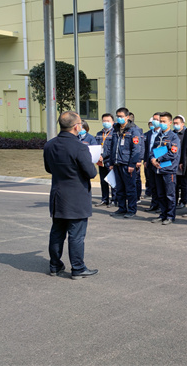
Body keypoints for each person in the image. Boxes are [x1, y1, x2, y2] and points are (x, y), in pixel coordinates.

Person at [44, 111, 98, 279]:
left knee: (57, 232)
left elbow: (48, 168)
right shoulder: (80, 147)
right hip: (76, 197)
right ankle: (78, 268)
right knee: (76, 235)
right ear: (76, 126)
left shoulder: (49, 145)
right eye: (80, 123)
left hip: (58, 195)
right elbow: (91, 173)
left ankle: (55, 265)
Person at [109, 107, 143, 219]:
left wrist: (132, 164)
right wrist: (111, 162)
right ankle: (122, 208)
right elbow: (113, 147)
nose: (119, 118)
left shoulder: (133, 130)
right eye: (118, 116)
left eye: (121, 116)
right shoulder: (115, 129)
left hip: (127, 164)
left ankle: (132, 210)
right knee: (119, 188)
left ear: (127, 117)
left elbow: (136, 149)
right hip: (117, 163)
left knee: (130, 188)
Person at [148, 112, 180, 225]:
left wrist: (159, 159)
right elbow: (152, 150)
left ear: (170, 123)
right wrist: (152, 159)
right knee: (160, 194)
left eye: (164, 121)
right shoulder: (159, 136)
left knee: (169, 195)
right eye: (160, 121)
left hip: (168, 169)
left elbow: (173, 153)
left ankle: (170, 216)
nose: (161, 123)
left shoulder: (173, 137)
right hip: (157, 169)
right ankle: (163, 214)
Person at [95, 113, 115, 207]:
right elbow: (96, 146)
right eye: (104, 121)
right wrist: (98, 156)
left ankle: (114, 200)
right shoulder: (99, 134)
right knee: (103, 181)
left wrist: (104, 156)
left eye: (108, 121)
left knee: (112, 181)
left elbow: (113, 148)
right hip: (101, 161)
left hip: (110, 161)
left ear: (112, 122)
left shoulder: (114, 133)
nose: (106, 122)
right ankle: (105, 199)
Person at [144, 112, 162, 213]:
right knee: (152, 184)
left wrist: (156, 160)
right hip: (149, 161)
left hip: (158, 162)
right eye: (154, 119)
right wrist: (146, 160)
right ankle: (154, 204)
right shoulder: (149, 133)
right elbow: (147, 148)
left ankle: (160, 205)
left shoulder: (163, 133)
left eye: (157, 120)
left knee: (159, 185)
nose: (155, 121)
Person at [128, 112, 145, 203]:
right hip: (127, 159)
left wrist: (139, 159)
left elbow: (140, 146)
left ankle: (137, 196)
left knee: (136, 179)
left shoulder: (137, 130)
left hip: (135, 158)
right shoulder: (124, 130)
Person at [173, 115, 187, 208]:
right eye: (174, 123)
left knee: (183, 184)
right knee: (174, 184)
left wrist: (182, 162)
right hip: (173, 163)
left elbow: (185, 149)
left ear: (182, 124)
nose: (175, 125)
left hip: (181, 163)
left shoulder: (186, 134)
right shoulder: (172, 134)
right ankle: (174, 201)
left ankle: (183, 201)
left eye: (177, 123)